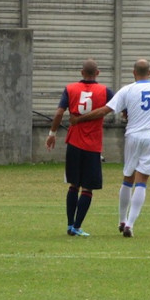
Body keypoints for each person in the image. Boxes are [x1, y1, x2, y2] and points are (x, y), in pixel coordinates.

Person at [70, 58, 150, 238]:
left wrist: (79, 119)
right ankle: (130, 225)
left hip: (132, 135)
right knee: (142, 181)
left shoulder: (127, 89)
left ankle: (121, 220)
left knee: (127, 179)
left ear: (133, 73)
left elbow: (103, 111)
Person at [45, 59, 113, 237]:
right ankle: (77, 225)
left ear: (82, 73)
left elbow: (59, 112)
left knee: (73, 185)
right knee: (88, 188)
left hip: (73, 143)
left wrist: (52, 134)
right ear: (97, 73)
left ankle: (69, 225)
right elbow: (119, 108)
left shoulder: (70, 89)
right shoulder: (105, 91)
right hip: (92, 145)